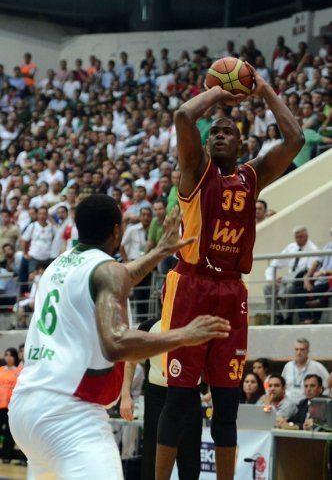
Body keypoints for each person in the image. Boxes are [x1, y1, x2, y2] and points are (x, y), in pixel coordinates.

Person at [8, 194, 230, 480]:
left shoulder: (60, 263)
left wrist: (161, 251)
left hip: (26, 409)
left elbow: (118, 275)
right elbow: (116, 344)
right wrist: (185, 335)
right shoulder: (106, 271)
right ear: (116, 231)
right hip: (69, 414)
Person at [155, 64, 304, 480]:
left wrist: (266, 90)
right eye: (214, 132)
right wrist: (222, 93)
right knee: (179, 402)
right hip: (190, 284)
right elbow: (184, 117)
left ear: (240, 144)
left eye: (227, 132)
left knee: (225, 406)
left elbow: (295, 139)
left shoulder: (251, 177)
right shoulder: (194, 172)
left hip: (230, 293)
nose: (219, 135)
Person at [120, 318, 202, 480]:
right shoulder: (148, 326)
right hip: (157, 397)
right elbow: (131, 361)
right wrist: (125, 396)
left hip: (189, 395)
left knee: (190, 459)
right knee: (152, 456)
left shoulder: (195, 324)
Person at [263, 226, 318, 324]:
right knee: (267, 287)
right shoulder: (291, 247)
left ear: (306, 236)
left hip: (299, 282)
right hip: (287, 279)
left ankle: (287, 317)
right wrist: (271, 279)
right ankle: (276, 316)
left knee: (290, 288)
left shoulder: (313, 249)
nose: (298, 239)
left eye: (300, 237)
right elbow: (274, 264)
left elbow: (309, 271)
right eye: (296, 237)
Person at [295, 239, 332, 324]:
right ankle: (306, 320)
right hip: (320, 280)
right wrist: (307, 277)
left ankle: (316, 319)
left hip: (329, 281)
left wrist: (325, 272)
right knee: (299, 291)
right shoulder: (328, 245)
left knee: (317, 291)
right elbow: (317, 261)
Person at [281, 338, 329, 403]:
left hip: (308, 406)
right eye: (296, 349)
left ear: (307, 351)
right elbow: (282, 386)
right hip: (288, 406)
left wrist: (321, 401)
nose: (299, 352)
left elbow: (328, 386)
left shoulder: (317, 367)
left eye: (302, 349)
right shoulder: (288, 366)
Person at [0, 347, 20, 463]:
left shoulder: (18, 372)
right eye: (6, 355)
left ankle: (7, 456)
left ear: (15, 357)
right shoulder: (0, 370)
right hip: (0, 405)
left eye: (11, 355)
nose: (8, 357)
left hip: (11, 407)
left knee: (9, 433)